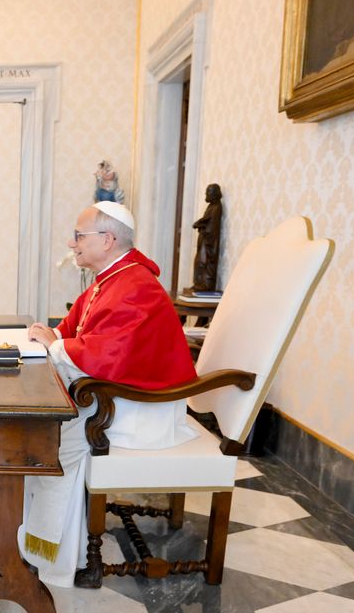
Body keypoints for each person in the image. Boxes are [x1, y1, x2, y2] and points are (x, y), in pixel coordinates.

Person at [23, 201, 198, 587]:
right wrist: (53, 337)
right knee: (39, 429)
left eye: (79, 235)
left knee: (52, 441)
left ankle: (52, 558)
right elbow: (76, 329)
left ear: (107, 239)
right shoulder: (111, 277)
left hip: (141, 411)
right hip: (119, 397)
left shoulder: (134, 286)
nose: (71, 243)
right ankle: (36, 543)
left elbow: (107, 356)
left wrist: (55, 344)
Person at [188, 183, 222, 293]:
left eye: (208, 192)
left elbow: (211, 225)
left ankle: (205, 284)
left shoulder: (216, 207)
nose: (206, 195)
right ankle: (199, 283)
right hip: (204, 240)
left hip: (208, 241)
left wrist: (199, 224)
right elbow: (206, 219)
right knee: (199, 262)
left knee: (204, 262)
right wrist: (200, 224)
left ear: (214, 194)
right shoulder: (211, 206)